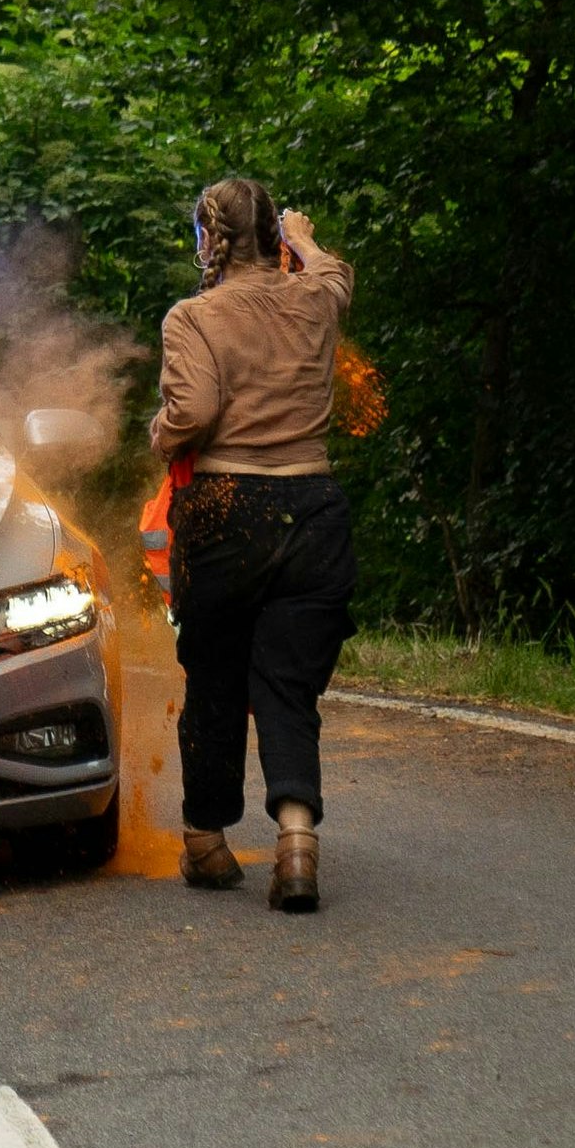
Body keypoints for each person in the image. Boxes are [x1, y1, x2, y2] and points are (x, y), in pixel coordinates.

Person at [147, 177, 357, 913]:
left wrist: (161, 434)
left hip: (227, 511)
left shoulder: (193, 317)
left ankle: (207, 842)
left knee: (213, 676)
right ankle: (297, 843)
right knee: (288, 684)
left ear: (209, 241)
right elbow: (334, 272)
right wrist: (303, 239)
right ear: (277, 238)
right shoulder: (317, 298)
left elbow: (194, 410)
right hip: (315, 509)